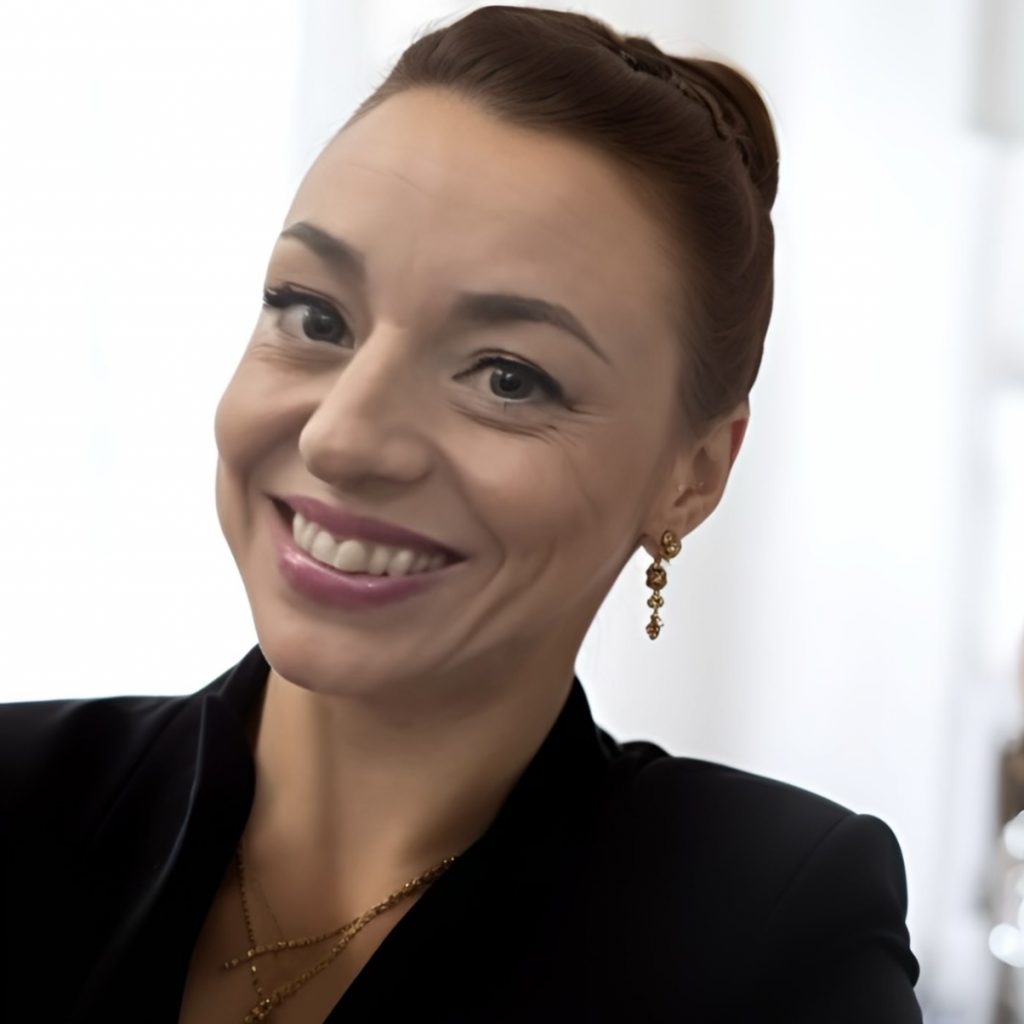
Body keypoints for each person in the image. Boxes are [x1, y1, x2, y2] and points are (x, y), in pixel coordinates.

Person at [0, 5, 923, 1022]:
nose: (341, 438)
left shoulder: (762, 922)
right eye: (315, 316)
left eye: (508, 377)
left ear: (692, 474)